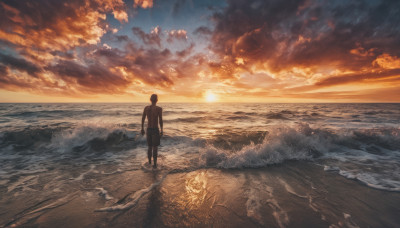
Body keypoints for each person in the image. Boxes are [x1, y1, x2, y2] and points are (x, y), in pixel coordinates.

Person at [141, 94, 163, 168]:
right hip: (155, 130)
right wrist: (162, 130)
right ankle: (155, 164)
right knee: (155, 148)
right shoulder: (159, 109)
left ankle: (150, 162)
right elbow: (160, 120)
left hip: (148, 130)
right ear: (157, 100)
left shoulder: (146, 108)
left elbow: (143, 118)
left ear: (150, 100)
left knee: (149, 147)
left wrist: (142, 128)